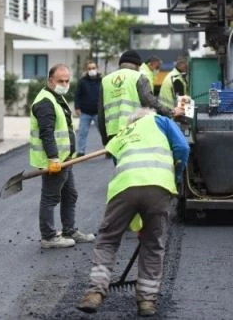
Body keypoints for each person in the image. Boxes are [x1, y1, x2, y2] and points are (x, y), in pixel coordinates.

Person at [77, 108, 190, 317]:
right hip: (159, 187)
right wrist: (176, 177)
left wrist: (136, 223)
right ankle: (147, 301)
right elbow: (182, 147)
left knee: (108, 240)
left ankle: (95, 292)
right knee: (153, 244)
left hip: (124, 187)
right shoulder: (162, 121)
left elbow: (124, 171)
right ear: (148, 114)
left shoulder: (124, 133)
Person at [29, 63, 96, 249]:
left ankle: (69, 230)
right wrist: (53, 158)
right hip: (55, 161)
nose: (65, 84)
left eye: (67, 81)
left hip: (66, 158)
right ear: (50, 80)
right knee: (50, 197)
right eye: (60, 81)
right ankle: (49, 236)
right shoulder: (45, 102)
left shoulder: (57, 97)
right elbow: (47, 133)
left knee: (70, 194)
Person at [98, 50, 184, 144]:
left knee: (120, 159)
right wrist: (171, 112)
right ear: (137, 65)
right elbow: (150, 102)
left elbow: (101, 113)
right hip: (133, 130)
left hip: (113, 133)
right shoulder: (138, 77)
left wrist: (105, 139)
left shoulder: (105, 80)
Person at [74, 61, 102, 156]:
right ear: (86, 70)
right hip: (85, 112)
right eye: (89, 68)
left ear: (97, 69)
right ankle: (81, 152)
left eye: (93, 68)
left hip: (98, 112)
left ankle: (108, 150)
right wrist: (77, 107)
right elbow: (77, 95)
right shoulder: (82, 82)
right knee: (82, 133)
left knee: (104, 132)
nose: (91, 70)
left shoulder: (102, 81)